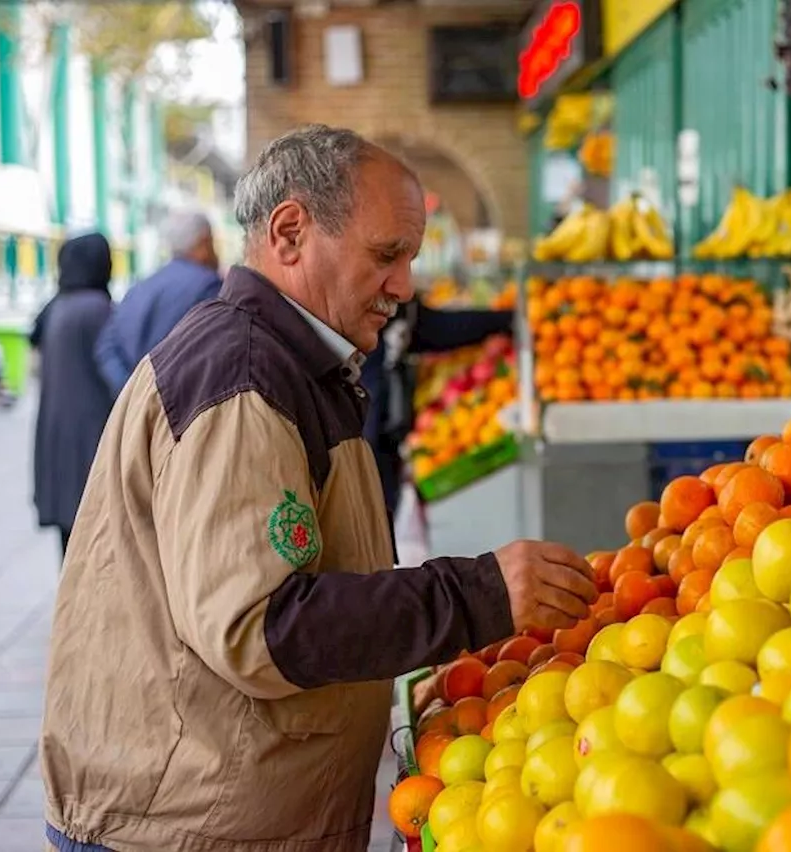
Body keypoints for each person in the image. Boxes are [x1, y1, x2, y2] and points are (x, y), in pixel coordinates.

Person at [40, 124, 597, 852]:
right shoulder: (244, 377)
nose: (404, 287)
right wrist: (477, 593)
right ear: (292, 232)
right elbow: (262, 625)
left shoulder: (293, 361)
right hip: (183, 827)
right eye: (387, 255)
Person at [360, 294, 513, 526]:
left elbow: (428, 328)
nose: (404, 285)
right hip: (365, 439)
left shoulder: (395, 305)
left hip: (381, 435)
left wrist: (503, 320)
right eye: (388, 258)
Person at [30, 233, 115, 557]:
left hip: (57, 436)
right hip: (90, 438)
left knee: (69, 542)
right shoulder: (97, 309)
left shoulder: (57, 307)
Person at [94, 209, 222, 397]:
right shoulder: (210, 287)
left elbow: (105, 348)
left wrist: (134, 394)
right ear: (204, 243)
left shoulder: (139, 288)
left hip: (139, 409)